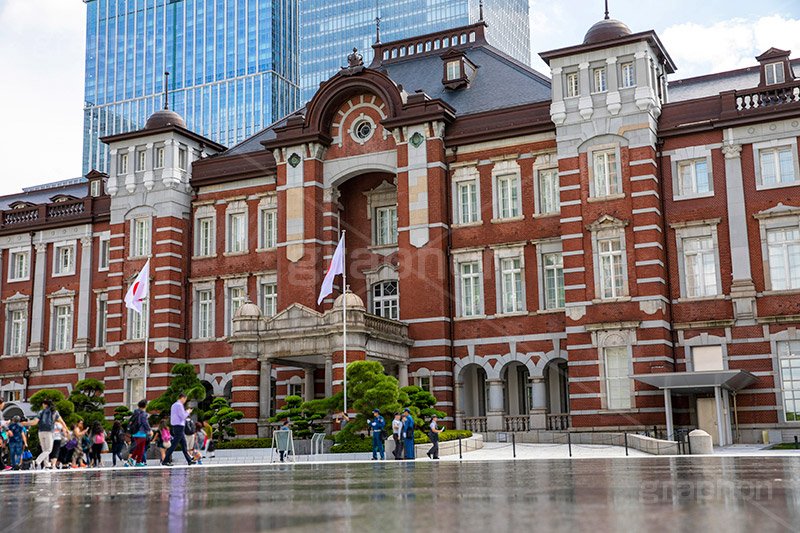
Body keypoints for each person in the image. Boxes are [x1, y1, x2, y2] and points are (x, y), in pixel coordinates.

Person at [26, 398, 68, 470]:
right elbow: (61, 421)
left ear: (45, 405)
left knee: (45, 449)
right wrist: (66, 429)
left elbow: (35, 422)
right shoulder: (54, 412)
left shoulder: (41, 412)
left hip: (41, 431)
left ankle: (46, 465)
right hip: (49, 432)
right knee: (48, 450)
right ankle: (37, 462)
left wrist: (25, 423)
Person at [162, 393, 195, 466]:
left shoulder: (174, 405)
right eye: (185, 399)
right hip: (179, 426)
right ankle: (165, 460)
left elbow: (178, 415)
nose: (185, 401)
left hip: (176, 426)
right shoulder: (179, 405)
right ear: (183, 398)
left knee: (184, 445)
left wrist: (185, 412)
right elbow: (183, 416)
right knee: (174, 444)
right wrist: (188, 412)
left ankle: (189, 460)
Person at [130, 400, 152, 467]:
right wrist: (150, 430)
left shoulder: (135, 413)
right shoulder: (142, 414)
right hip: (141, 433)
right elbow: (145, 423)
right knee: (141, 448)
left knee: (138, 447)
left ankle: (131, 460)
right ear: (145, 405)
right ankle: (137, 462)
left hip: (134, 433)